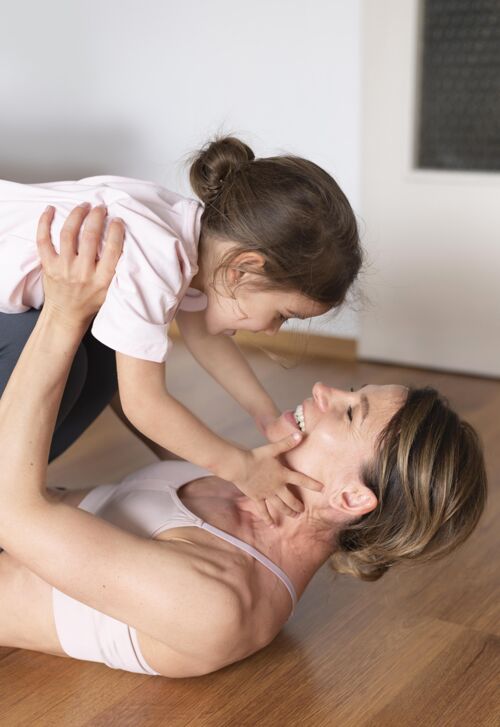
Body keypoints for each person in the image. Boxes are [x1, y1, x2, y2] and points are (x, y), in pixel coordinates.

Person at [0, 205, 487, 678]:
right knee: (88, 343)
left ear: (352, 496)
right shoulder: (252, 485)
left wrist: (65, 313)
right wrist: (135, 282)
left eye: (349, 411)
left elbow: (13, 512)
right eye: (353, 391)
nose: (324, 390)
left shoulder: (217, 603)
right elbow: (140, 402)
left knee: (37, 330)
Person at [0, 136, 363, 523]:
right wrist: (240, 467)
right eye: (282, 314)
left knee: (102, 355)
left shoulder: (190, 239)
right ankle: (13, 501)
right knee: (64, 359)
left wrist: (265, 414)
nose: (273, 330)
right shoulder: (156, 256)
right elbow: (145, 405)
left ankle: (14, 495)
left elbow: (204, 336)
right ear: (244, 269)